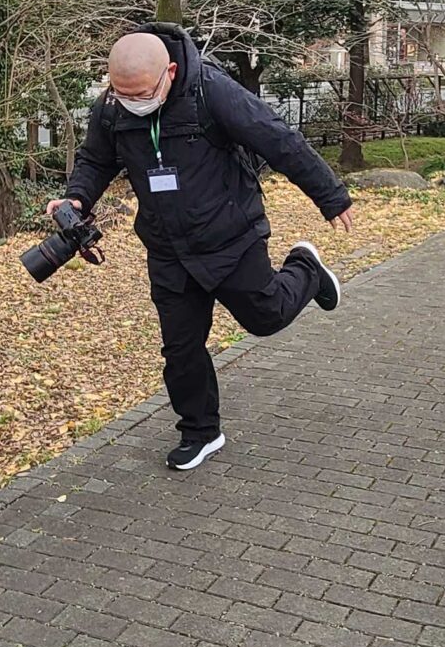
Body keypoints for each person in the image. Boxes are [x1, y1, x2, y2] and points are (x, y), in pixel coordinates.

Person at [54, 24, 354, 471]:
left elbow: (278, 139)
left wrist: (331, 196)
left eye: (141, 94)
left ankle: (305, 266)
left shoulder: (211, 90)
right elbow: (96, 159)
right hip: (167, 246)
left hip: (229, 233)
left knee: (266, 316)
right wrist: (77, 197)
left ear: (170, 73)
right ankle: (200, 432)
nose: (132, 103)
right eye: (121, 93)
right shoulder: (113, 106)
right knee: (181, 349)